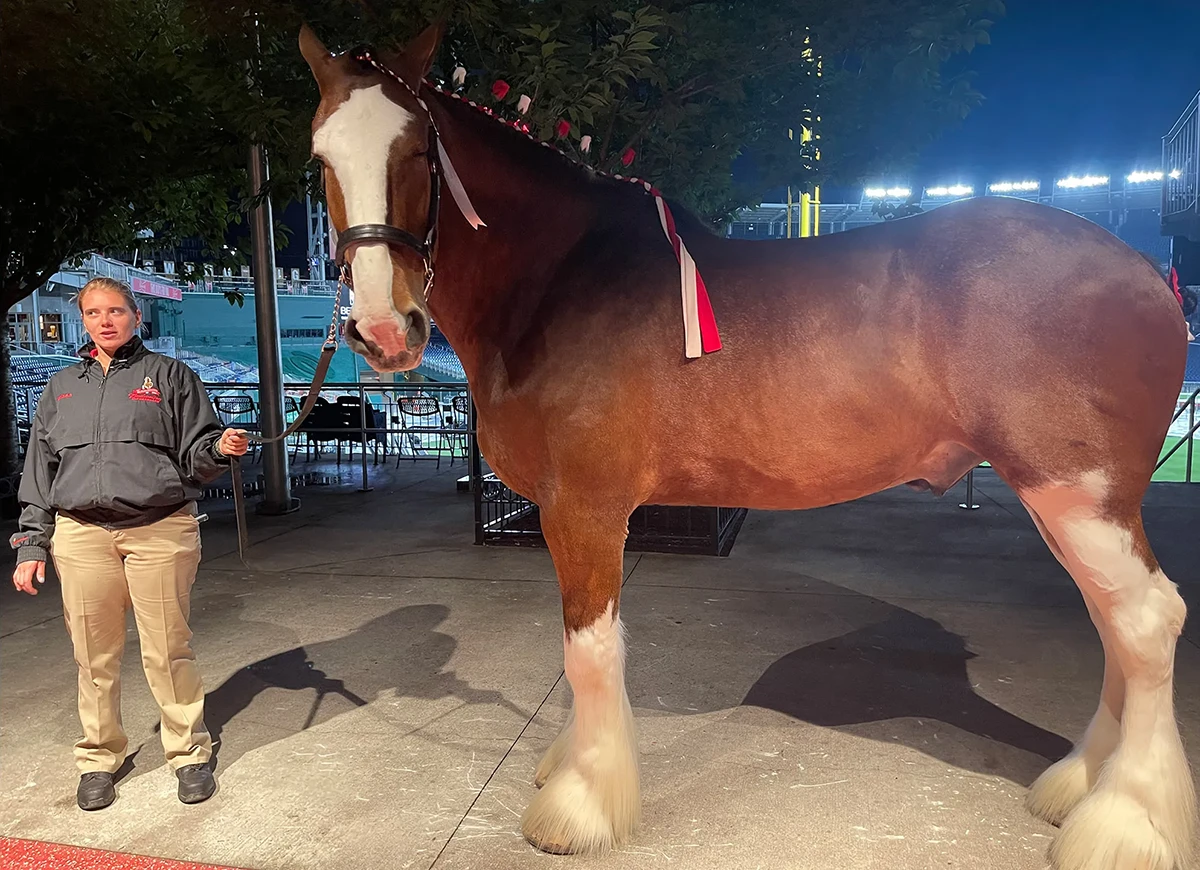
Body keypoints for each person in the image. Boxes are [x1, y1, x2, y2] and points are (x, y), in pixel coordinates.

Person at [8, 277, 250, 811]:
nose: (106, 321)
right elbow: (39, 472)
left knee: (167, 648)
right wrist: (31, 545)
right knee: (92, 655)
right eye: (94, 313)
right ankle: (99, 758)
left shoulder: (170, 375)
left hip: (159, 530)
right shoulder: (60, 387)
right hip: (80, 535)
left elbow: (197, 450)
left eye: (116, 310)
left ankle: (188, 752)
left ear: (136, 317)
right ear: (83, 321)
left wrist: (221, 448)